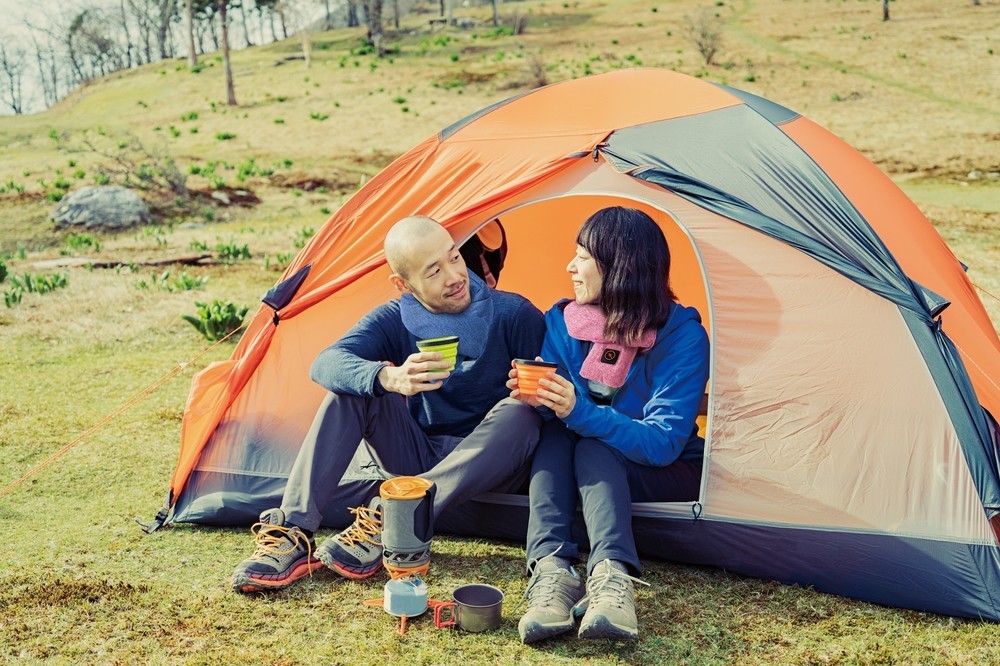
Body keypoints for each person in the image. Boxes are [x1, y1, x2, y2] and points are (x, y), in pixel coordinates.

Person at [232, 215, 546, 593]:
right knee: (350, 390)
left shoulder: (514, 314)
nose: (454, 276)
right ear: (404, 285)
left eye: (455, 258)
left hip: (491, 467)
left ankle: (393, 517)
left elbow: (553, 408)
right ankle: (293, 531)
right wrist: (389, 378)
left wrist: (536, 391)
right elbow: (325, 363)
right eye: (433, 272)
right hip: (417, 458)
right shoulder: (395, 318)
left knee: (522, 411)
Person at [509, 206, 710, 642]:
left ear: (619, 264)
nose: (570, 267)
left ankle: (612, 577)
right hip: (583, 462)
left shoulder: (682, 336)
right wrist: (540, 400)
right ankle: (551, 574)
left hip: (664, 469)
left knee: (593, 441)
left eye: (582, 256)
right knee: (560, 435)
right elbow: (566, 417)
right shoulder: (563, 322)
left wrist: (576, 410)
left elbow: (663, 443)